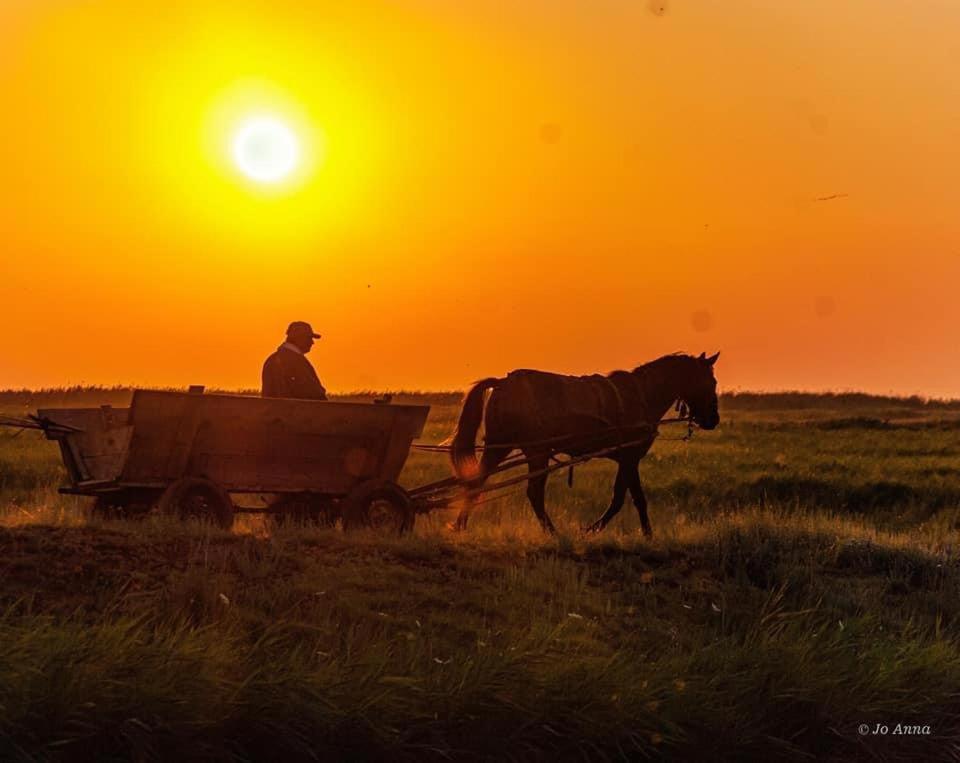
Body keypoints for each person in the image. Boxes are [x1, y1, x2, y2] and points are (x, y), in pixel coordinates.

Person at [261, 321, 328, 400]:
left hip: (274, 411)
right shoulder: (297, 362)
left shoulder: (271, 359)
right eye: (309, 338)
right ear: (299, 338)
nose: (312, 342)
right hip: (297, 411)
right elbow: (314, 393)